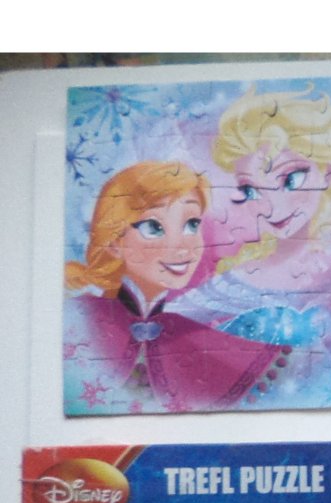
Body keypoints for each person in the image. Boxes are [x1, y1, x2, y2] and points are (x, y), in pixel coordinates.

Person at [63, 161, 285, 411]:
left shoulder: (192, 334)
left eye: (192, 225)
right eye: (154, 227)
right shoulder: (77, 319)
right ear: (115, 242)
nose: (181, 246)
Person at [168, 87, 331, 350]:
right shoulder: (230, 285)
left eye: (290, 179)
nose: (272, 208)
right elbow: (170, 336)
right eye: (251, 190)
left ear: (328, 170)